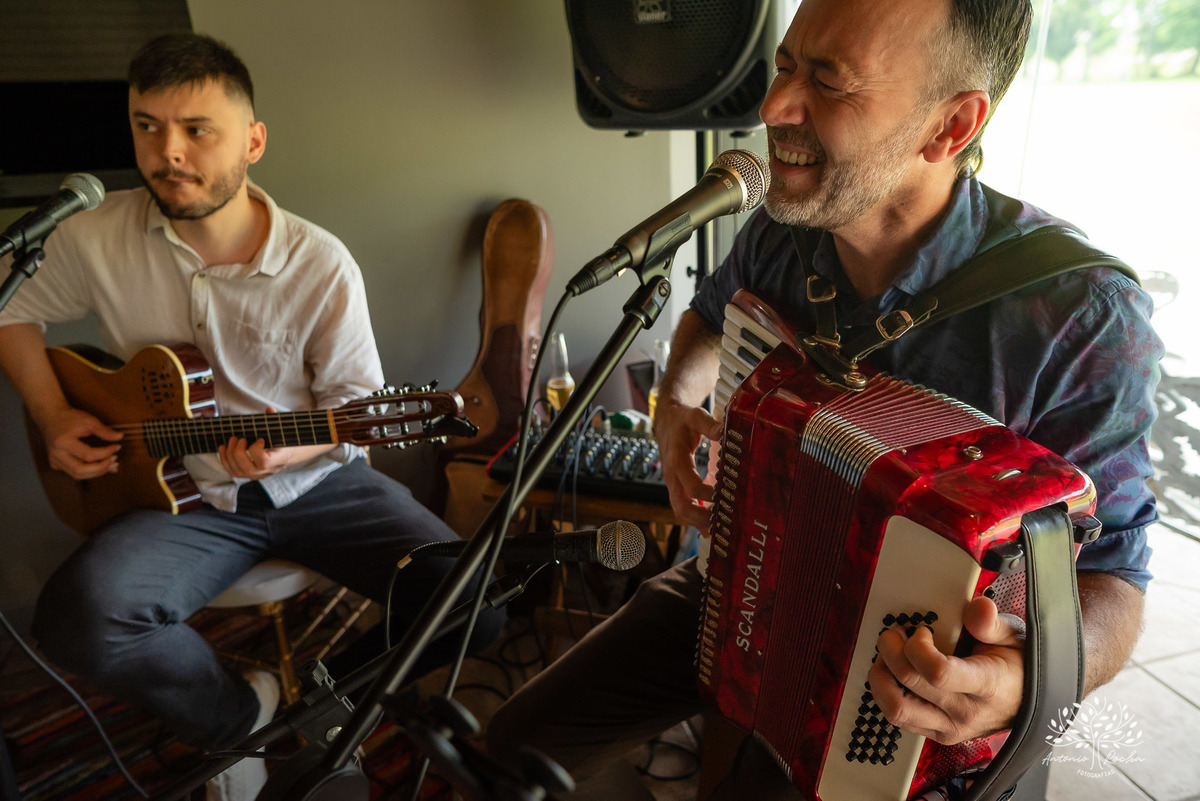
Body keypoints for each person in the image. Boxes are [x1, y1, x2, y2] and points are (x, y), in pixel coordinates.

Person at [486, 0, 1161, 797]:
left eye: (830, 83)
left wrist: (1018, 681)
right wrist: (676, 405)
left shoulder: (1076, 310)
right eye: (785, 66)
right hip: (739, 582)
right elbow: (708, 316)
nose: (772, 109)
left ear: (949, 128)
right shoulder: (782, 227)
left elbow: (1114, 574)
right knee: (510, 744)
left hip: (906, 693)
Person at [0, 33, 504, 801]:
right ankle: (237, 717)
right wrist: (50, 413)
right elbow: (10, 307)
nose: (167, 152)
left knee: (478, 600)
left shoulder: (320, 264)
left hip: (317, 486)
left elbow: (353, 413)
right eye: (146, 126)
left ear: (253, 141)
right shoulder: (92, 236)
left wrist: (287, 456)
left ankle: (327, 700)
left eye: (196, 129)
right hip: (183, 497)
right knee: (74, 618)